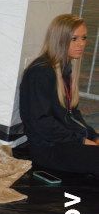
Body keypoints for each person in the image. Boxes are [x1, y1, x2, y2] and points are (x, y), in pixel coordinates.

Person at [19, 14, 97, 176]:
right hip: (47, 149)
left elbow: (72, 114)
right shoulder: (40, 72)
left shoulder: (65, 68)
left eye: (83, 38)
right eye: (74, 39)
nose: (81, 44)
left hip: (64, 140)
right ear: (59, 40)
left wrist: (92, 135)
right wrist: (81, 140)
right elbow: (41, 123)